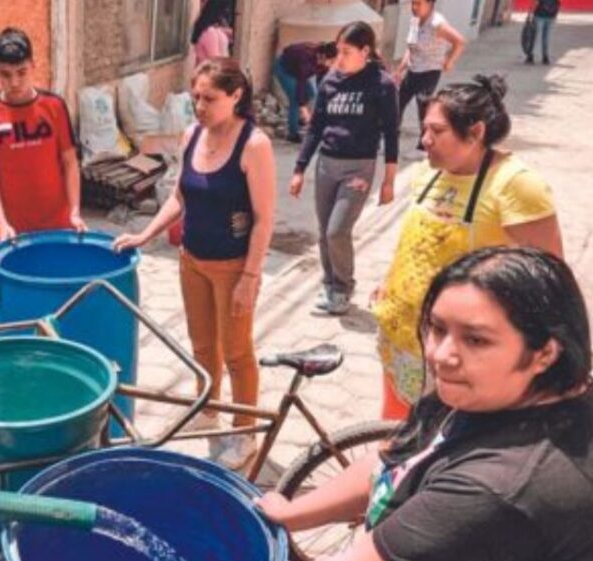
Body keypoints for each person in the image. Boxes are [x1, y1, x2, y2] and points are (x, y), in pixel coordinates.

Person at [174, 247, 593, 561]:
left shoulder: (506, 487)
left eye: (476, 339)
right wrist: (296, 513)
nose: (442, 354)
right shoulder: (487, 391)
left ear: (545, 353)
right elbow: (394, 460)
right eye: (437, 328)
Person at [114, 58, 275, 470]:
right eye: (196, 97)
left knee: (237, 352)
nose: (200, 106)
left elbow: (264, 219)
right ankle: (207, 411)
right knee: (203, 345)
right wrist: (145, 235)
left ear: (236, 96)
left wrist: (250, 276)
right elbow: (179, 197)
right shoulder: (191, 135)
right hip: (192, 260)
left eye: (210, 98)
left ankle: (245, 432)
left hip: (234, 266)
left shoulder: (253, 144)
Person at [372, 75, 561, 420]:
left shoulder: (515, 185)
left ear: (475, 133)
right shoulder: (426, 175)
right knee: (396, 429)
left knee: (444, 440)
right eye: (424, 129)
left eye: (436, 131)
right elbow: (411, 244)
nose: (425, 140)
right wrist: (390, 283)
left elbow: (550, 279)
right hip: (403, 334)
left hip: (458, 352)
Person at [290, 22, 400, 316]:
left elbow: (391, 133)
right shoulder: (330, 82)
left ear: (366, 51)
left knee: (338, 231)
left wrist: (389, 181)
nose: (339, 58)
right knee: (325, 232)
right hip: (326, 165)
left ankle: (343, 286)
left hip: (359, 169)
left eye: (346, 52)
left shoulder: (382, 85)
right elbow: (315, 129)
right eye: (337, 51)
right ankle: (330, 285)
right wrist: (300, 169)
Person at [0, 28, 86, 241]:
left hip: (60, 224)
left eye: (22, 72)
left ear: (33, 66)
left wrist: (74, 211)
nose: (14, 82)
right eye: (5, 74)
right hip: (15, 231)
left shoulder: (55, 107)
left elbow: (70, 162)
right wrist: (1, 223)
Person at [394, 0, 466, 150]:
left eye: (418, 4)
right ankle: (393, 135)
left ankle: (425, 143)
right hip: (413, 70)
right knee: (398, 102)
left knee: (423, 106)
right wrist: (401, 68)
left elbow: (459, 41)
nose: (414, 7)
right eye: (413, 3)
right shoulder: (415, 20)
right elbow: (411, 46)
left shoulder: (437, 23)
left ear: (430, 4)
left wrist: (449, 61)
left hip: (429, 72)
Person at [272, 41, 338, 143]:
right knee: (295, 100)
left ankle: (300, 118)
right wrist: (303, 109)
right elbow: (301, 84)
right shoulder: (306, 59)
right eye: (333, 61)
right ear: (326, 56)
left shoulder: (323, 61)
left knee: (312, 93)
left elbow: (323, 81)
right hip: (284, 70)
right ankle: (292, 134)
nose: (335, 64)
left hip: (297, 71)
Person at [526, 0, 561, 65]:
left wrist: (529, 13)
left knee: (535, 36)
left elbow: (535, 2)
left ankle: (531, 56)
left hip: (540, 15)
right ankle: (545, 57)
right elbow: (558, 3)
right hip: (551, 15)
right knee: (546, 37)